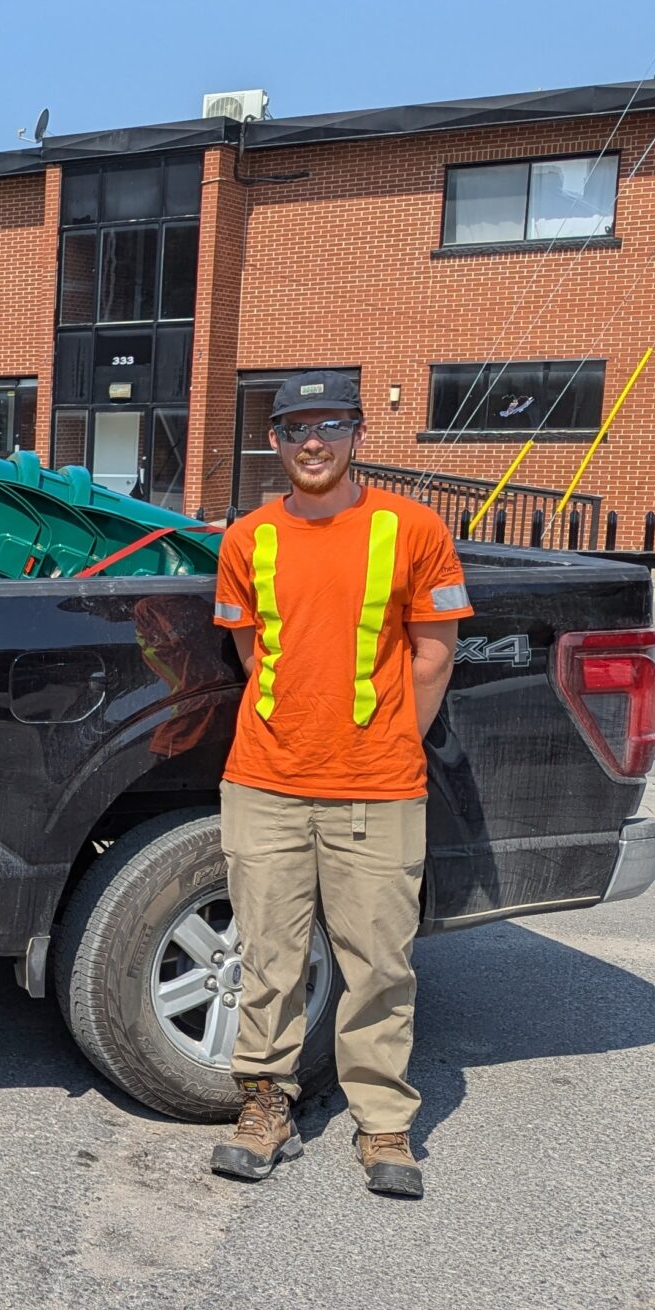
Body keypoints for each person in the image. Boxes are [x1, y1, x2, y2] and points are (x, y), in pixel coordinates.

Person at [207, 372, 471, 1198]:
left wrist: (390, 739)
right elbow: (252, 656)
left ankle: (384, 1125)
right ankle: (265, 1106)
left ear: (358, 432)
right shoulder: (247, 538)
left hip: (379, 787)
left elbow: (434, 652)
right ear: (276, 440)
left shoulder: (414, 528)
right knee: (269, 959)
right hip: (264, 779)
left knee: (378, 965)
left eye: (328, 424)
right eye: (293, 427)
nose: (311, 442)